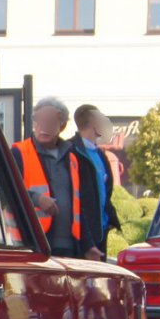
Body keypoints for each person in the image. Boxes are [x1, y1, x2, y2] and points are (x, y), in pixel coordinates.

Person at [11, 97, 100, 260]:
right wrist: (37, 199)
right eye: (39, 120)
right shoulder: (19, 153)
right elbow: (5, 190)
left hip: (68, 248)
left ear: (62, 125)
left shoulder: (71, 157)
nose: (43, 127)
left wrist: (88, 245)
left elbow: (78, 207)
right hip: (30, 245)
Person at [72, 103, 121, 256]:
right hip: (82, 241)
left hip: (101, 233)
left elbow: (106, 191)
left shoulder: (100, 154)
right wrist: (86, 243)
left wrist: (111, 218)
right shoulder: (71, 151)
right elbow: (75, 200)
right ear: (93, 123)